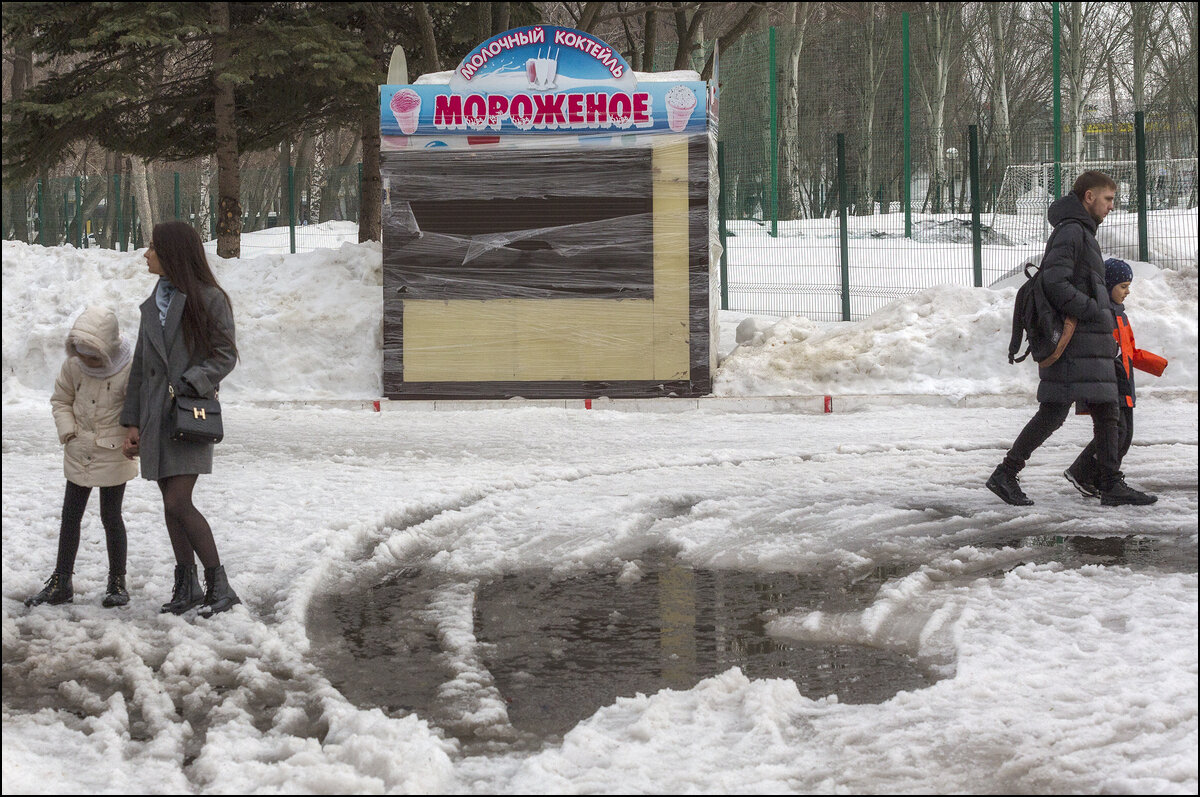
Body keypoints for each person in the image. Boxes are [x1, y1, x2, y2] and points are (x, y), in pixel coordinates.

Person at [987, 171, 1156, 507]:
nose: (1111, 206)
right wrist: (1094, 309)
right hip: (1076, 341)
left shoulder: (1079, 231)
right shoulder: (1072, 232)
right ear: (1089, 197)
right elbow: (1054, 282)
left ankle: (1108, 481)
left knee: (1106, 410)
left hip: (1086, 341)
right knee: (1057, 411)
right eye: (1108, 199)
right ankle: (1007, 473)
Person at [121, 221, 242, 617]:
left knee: (179, 500)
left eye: (153, 247)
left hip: (190, 414)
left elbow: (224, 354)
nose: (146, 254)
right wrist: (133, 422)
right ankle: (186, 584)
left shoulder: (208, 298)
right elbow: (140, 367)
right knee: (169, 504)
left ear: (172, 252)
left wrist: (192, 381)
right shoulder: (153, 302)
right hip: (157, 416)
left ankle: (219, 585)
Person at [25, 307, 138, 607]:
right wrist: (69, 432)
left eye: (93, 356)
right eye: (81, 354)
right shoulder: (73, 366)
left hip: (114, 452)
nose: (86, 361)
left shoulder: (128, 367)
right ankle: (61, 582)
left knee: (111, 516)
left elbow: (137, 408)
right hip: (79, 450)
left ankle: (117, 582)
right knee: (70, 516)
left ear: (108, 350)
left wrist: (132, 434)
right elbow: (61, 400)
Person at [1064, 258, 1167, 500]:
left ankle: (1090, 474)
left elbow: (1127, 350)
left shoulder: (1120, 314)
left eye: (1129, 285)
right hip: (1108, 383)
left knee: (1124, 435)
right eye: (1123, 286)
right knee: (1115, 434)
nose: (1128, 291)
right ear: (1108, 285)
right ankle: (1085, 473)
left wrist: (1157, 364)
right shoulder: (1102, 314)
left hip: (1122, 381)